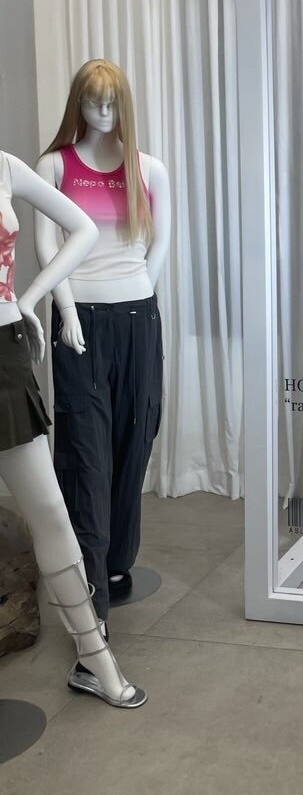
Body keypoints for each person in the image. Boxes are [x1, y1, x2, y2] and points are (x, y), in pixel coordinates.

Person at [0, 148, 145, 706]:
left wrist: (32, 299)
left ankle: (95, 658)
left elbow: (83, 228)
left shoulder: (6, 167)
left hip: (4, 352)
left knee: (52, 513)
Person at [35, 60, 170, 624]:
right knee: (85, 452)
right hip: (80, 321)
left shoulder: (148, 169)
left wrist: (140, 296)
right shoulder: (54, 166)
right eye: (93, 102)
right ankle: (91, 587)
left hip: (138, 317)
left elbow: (161, 242)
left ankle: (116, 560)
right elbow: (46, 245)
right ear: (78, 104)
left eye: (112, 103)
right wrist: (66, 308)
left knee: (134, 440)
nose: (103, 113)